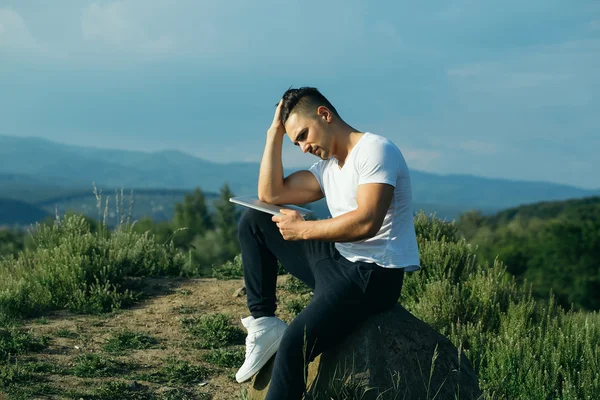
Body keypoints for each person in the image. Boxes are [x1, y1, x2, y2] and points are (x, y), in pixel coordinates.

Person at [235, 87, 420, 399]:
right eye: (297, 142)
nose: (304, 147)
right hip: (337, 261)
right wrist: (274, 134)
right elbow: (271, 194)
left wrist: (303, 231)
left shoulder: (376, 150)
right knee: (256, 220)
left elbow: (366, 221)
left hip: (373, 275)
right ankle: (264, 321)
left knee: (295, 344)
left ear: (325, 114)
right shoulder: (328, 167)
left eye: (304, 135)